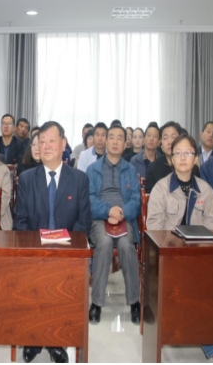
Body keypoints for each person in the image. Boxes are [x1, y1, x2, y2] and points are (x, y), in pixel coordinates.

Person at [146, 134, 213, 363]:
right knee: (193, 286)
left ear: (196, 158)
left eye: (188, 153)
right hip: (168, 258)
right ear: (171, 159)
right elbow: (154, 228)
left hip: (199, 256)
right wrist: (177, 244)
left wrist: (195, 246)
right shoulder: (161, 189)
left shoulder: (206, 190)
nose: (182, 157)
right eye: (177, 153)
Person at [14, 121, 91, 364]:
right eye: (41, 141)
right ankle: (34, 338)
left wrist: (66, 250)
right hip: (34, 254)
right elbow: (20, 222)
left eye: (51, 141)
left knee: (61, 285)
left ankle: (56, 340)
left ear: (63, 144)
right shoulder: (26, 179)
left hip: (68, 254)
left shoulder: (79, 179)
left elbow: (83, 222)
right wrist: (34, 252)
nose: (45, 146)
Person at [86, 124, 141, 325]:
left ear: (125, 143)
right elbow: (89, 199)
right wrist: (108, 211)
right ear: (106, 142)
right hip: (100, 219)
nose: (115, 141)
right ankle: (97, 303)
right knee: (104, 242)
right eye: (112, 137)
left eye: (120, 138)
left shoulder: (131, 169)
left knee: (126, 244)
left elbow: (136, 199)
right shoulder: (93, 169)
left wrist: (121, 212)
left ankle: (134, 301)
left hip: (125, 218)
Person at [145, 121, 199, 193]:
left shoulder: (191, 166)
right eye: (165, 138)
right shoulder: (153, 168)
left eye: (173, 137)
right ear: (160, 143)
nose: (169, 142)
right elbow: (150, 195)